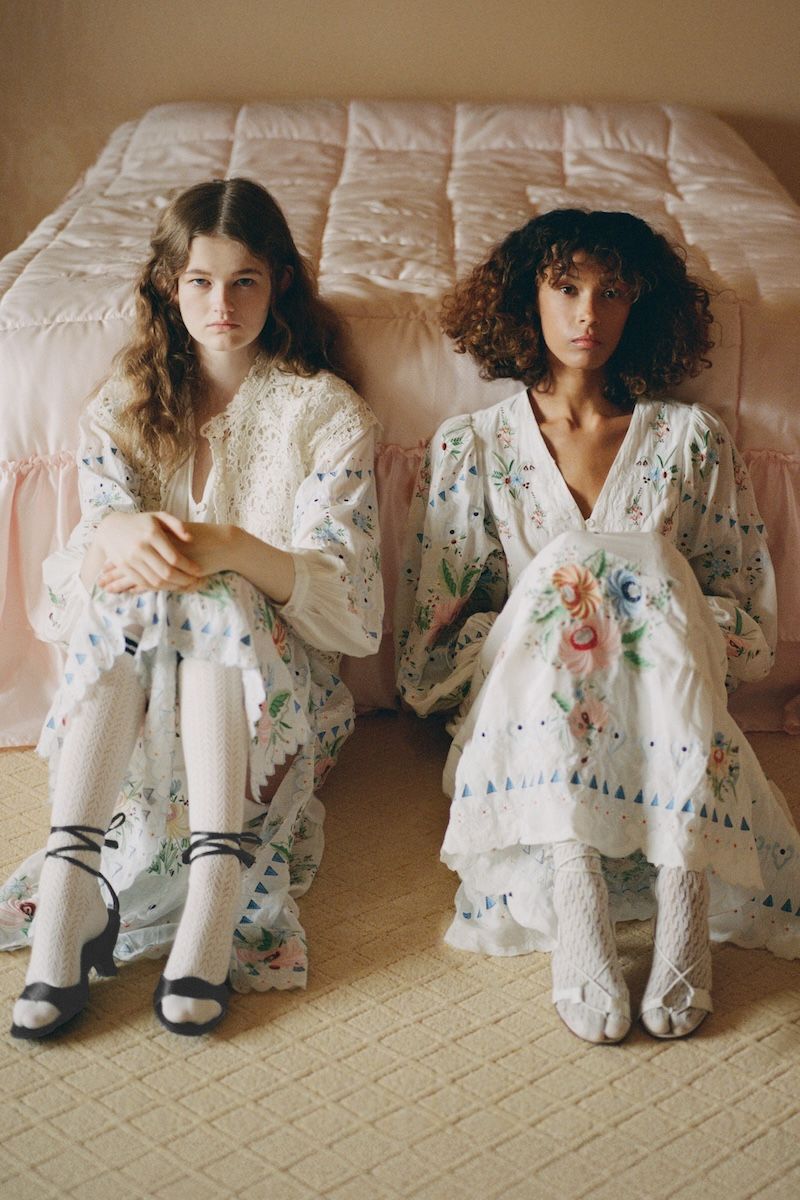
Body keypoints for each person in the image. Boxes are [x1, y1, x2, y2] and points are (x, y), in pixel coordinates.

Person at [396, 208, 800, 1044]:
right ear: (528, 298)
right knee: (574, 564)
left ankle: (683, 885)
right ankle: (573, 879)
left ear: (639, 304)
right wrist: (559, 597)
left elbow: (747, 624)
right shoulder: (473, 447)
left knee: (637, 564)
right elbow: (432, 648)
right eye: (567, 288)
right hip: (529, 714)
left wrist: (647, 599)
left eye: (612, 292)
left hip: (665, 714)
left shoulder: (690, 440)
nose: (589, 314)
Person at [2, 178, 383, 1038]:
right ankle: (70, 889)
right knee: (129, 578)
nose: (222, 305)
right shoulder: (124, 404)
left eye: (245, 281)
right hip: (135, 702)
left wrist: (234, 549)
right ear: (169, 287)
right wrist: (115, 534)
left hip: (271, 704)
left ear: (279, 283)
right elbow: (68, 598)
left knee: (215, 588)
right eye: (201, 282)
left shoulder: (325, 413)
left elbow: (354, 614)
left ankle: (217, 886)